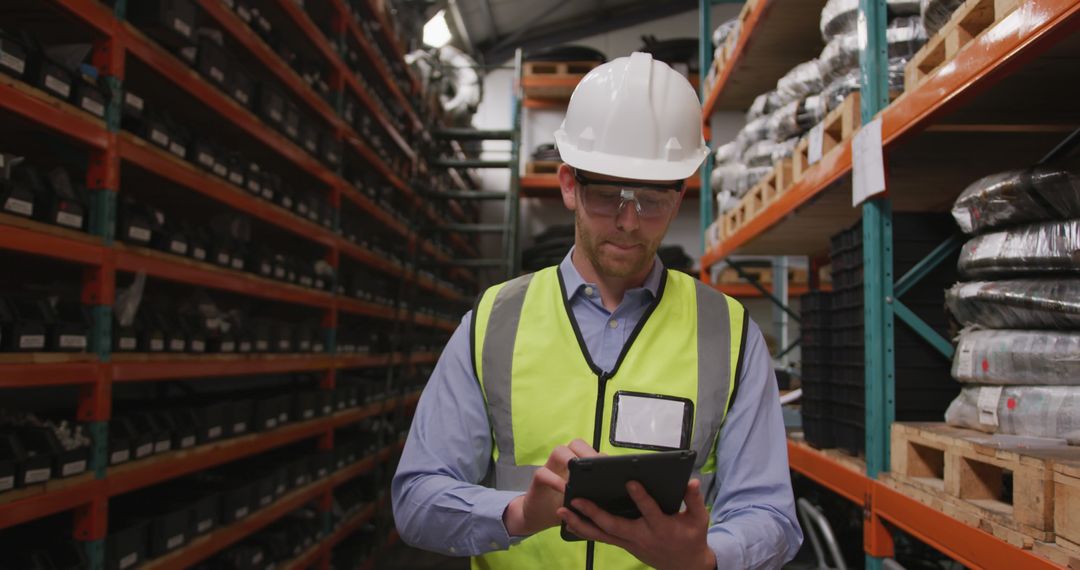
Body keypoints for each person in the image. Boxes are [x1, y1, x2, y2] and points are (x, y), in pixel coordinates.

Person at [392, 52, 802, 569]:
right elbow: (415, 499)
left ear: (678, 199)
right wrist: (517, 513)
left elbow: (772, 515)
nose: (629, 222)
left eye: (651, 200)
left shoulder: (729, 332)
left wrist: (706, 558)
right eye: (608, 195)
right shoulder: (495, 321)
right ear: (568, 184)